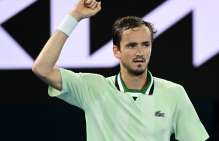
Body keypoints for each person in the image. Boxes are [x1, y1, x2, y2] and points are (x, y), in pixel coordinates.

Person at [32, 0, 209, 140]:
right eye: (132, 45)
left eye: (145, 45)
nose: (140, 52)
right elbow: (42, 68)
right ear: (117, 51)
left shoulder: (174, 93)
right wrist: (74, 16)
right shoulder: (92, 87)